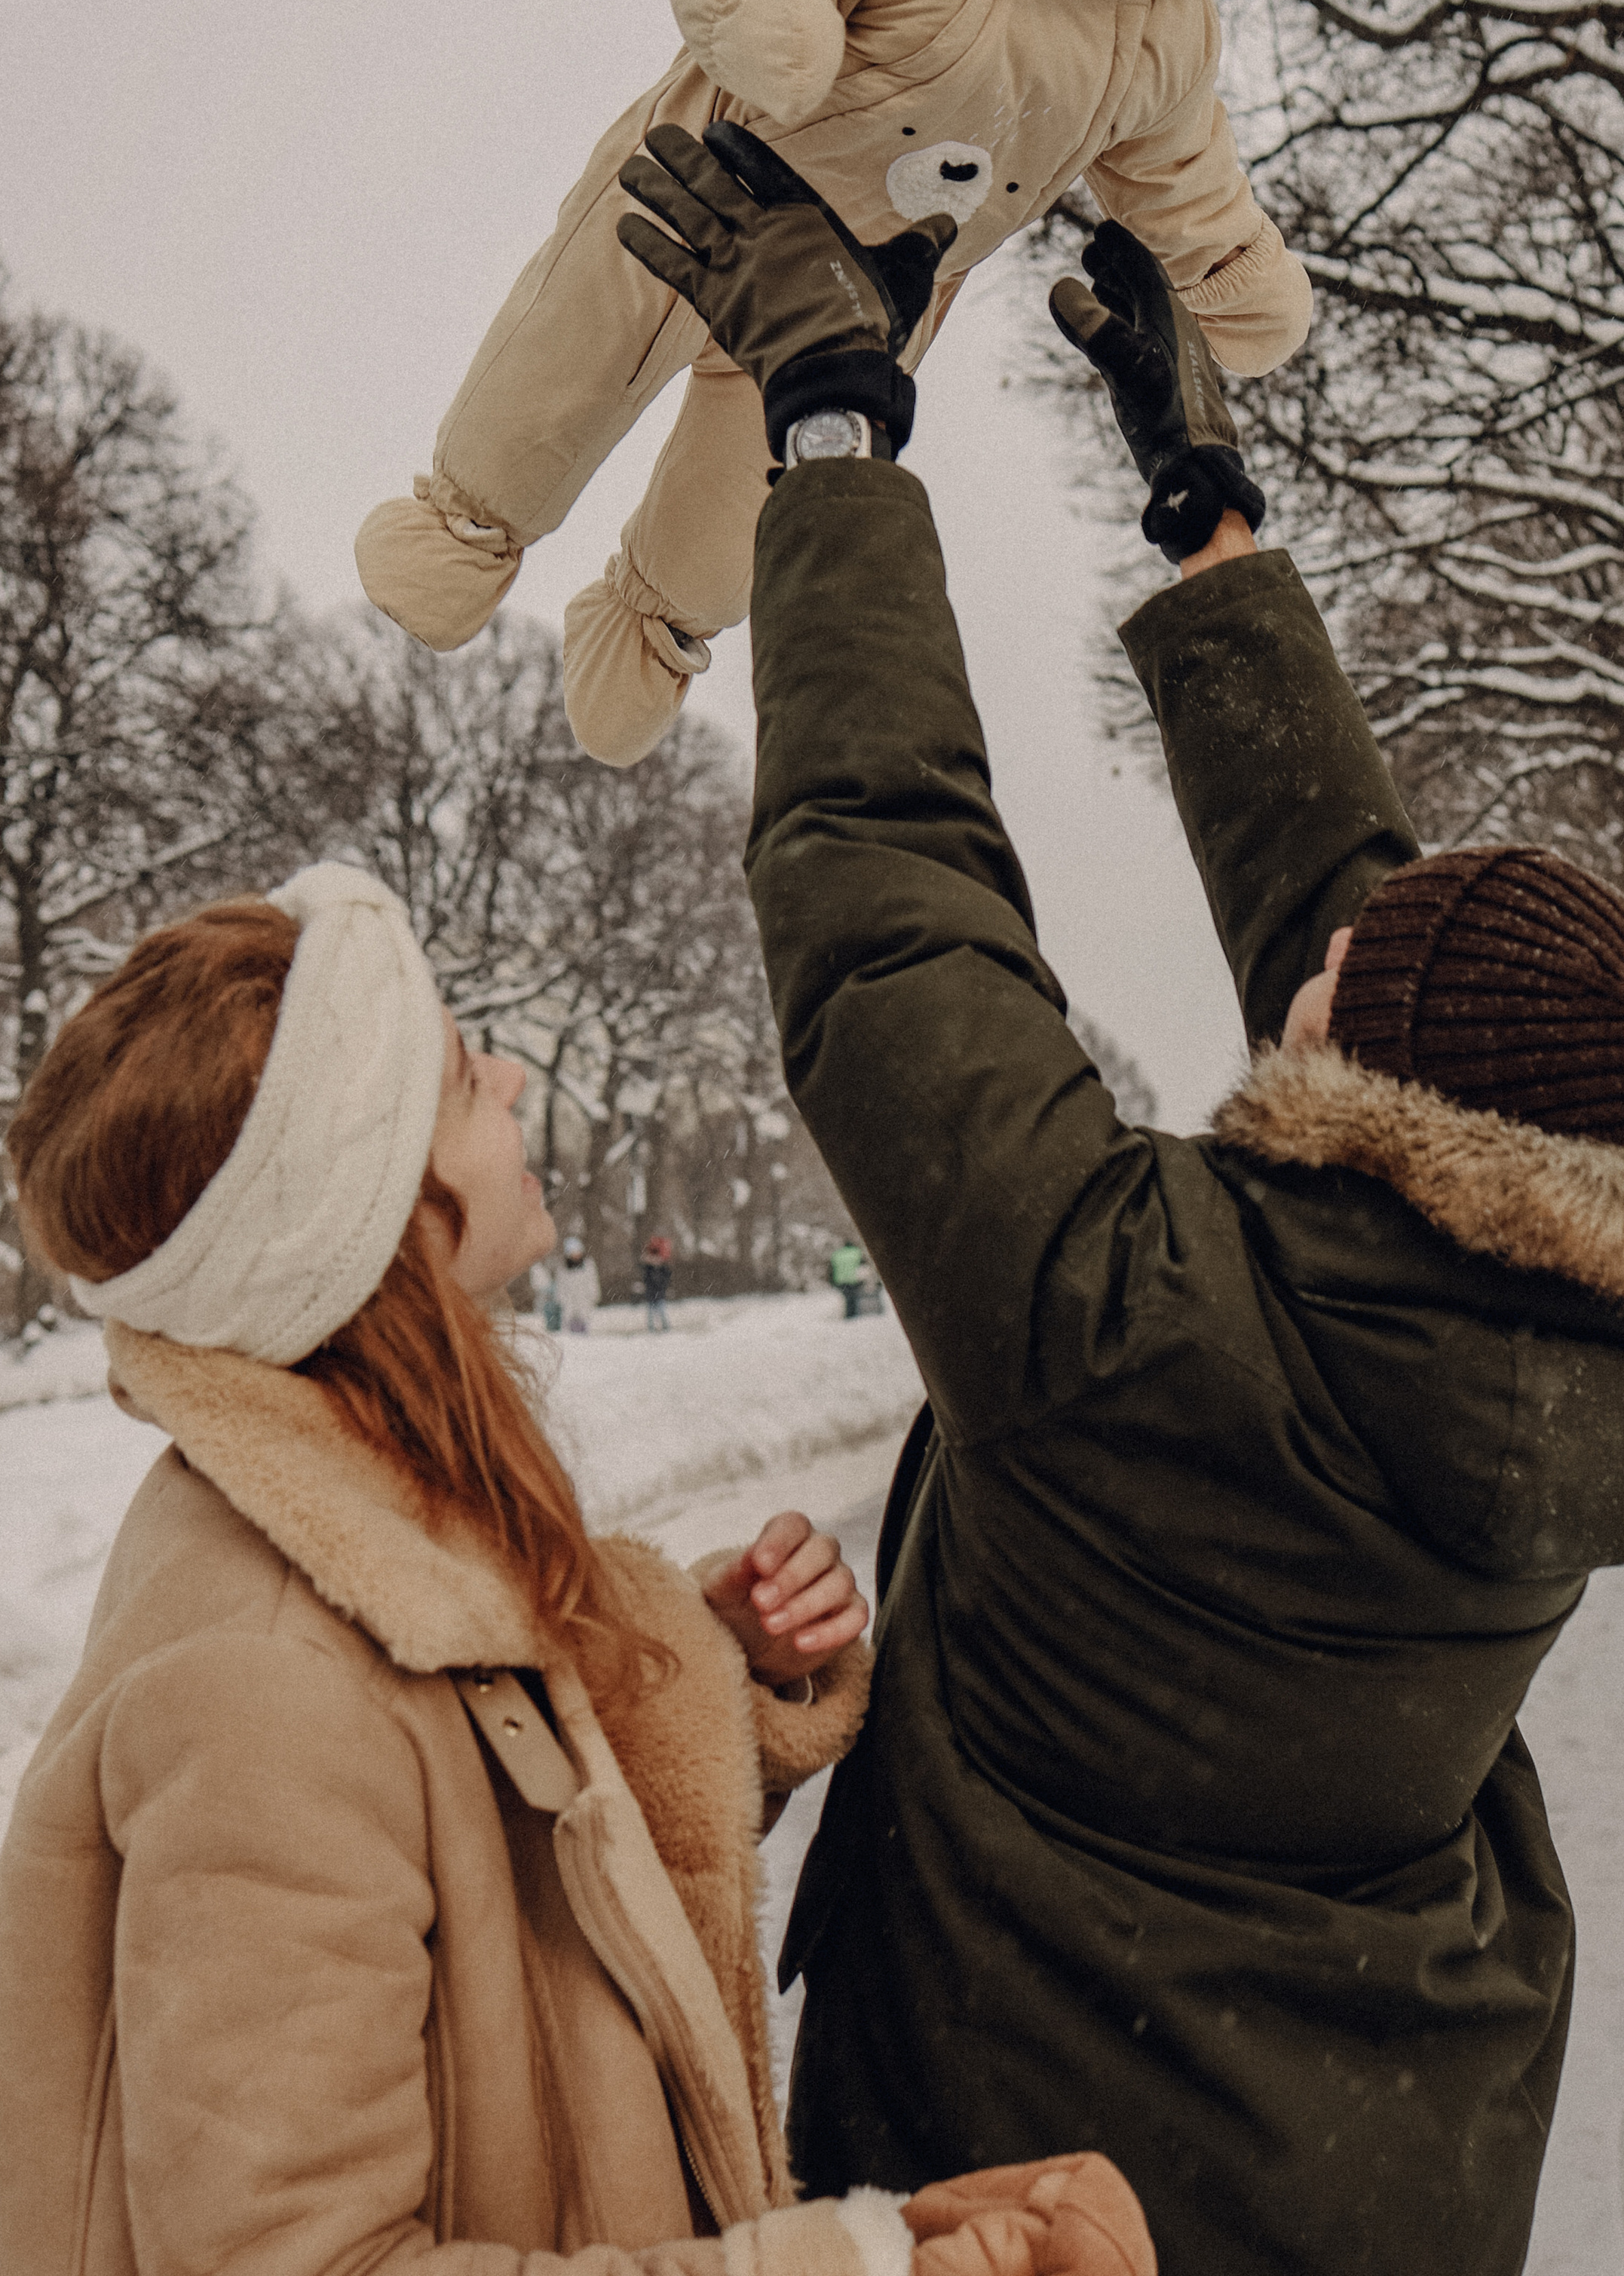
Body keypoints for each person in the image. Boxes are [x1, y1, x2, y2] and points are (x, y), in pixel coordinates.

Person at [612, 131, 1624, 2276]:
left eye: (1335, 1003)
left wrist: (840, 432)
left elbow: (892, 904)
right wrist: (1210, 531)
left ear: (1404, 1118)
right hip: (1379, 2173)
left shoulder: (1134, 1322)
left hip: (1043, 2184)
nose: (1303, 979)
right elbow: (1391, 970)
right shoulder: (1606, 1347)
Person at [0, 863, 1154, 2276]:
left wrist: (699, 1677)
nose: (505, 1079)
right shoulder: (264, 1688)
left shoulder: (374, 1521)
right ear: (372, 1209)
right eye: (450, 1073)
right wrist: (852, 2265)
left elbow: (479, 1848)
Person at [354, 0, 1341, 767]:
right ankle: (468, 525)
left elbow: (1184, 180)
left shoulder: (1162, 36)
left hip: (855, 315)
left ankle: (654, 627)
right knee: (561, 370)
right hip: (699, 195)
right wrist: (773, 11)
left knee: (752, 514)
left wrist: (1230, 266)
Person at [553, 1227, 601, 1332]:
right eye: (573, 1253)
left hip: (584, 1300)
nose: (576, 1255)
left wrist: (594, 1295)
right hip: (569, 1302)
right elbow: (560, 1285)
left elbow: (593, 1282)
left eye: (577, 1252)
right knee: (569, 1325)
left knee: (585, 1323)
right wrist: (561, 1299)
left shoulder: (588, 1266)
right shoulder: (563, 1268)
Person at [828, 1236, 869, 1322]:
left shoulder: (837, 1254)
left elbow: (831, 1268)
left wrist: (831, 1280)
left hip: (840, 1280)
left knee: (847, 1297)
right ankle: (853, 1316)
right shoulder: (857, 1252)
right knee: (854, 1297)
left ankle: (849, 1315)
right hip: (854, 1279)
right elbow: (863, 1265)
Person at [642, 1230, 675, 1334]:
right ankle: (652, 1328)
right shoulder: (649, 1268)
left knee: (660, 1310)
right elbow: (647, 1279)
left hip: (658, 1292)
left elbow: (666, 1279)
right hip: (652, 1293)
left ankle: (665, 1327)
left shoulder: (662, 1268)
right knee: (652, 1312)